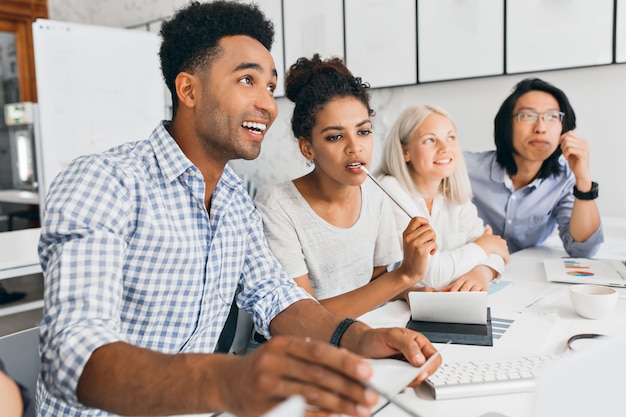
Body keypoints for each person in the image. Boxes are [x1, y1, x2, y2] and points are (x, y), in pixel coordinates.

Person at [36, 2, 440, 417]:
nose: (267, 104)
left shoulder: (233, 198)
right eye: (247, 79)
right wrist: (228, 379)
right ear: (188, 90)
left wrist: (357, 338)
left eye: (269, 87)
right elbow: (71, 355)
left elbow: (276, 298)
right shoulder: (104, 181)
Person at [251, 54, 437, 326]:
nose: (355, 147)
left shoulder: (376, 195)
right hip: (306, 348)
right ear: (307, 147)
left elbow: (377, 282)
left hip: (365, 333)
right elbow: (303, 317)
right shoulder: (277, 204)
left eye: (363, 131)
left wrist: (420, 294)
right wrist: (405, 276)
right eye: (335, 137)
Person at [375, 105, 509, 292]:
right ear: (405, 151)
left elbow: (498, 253)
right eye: (430, 140)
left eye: (451, 137)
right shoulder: (390, 190)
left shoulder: (451, 192)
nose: (445, 148)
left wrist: (482, 273)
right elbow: (432, 275)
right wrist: (485, 245)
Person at [464, 78, 603, 256]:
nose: (541, 128)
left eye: (552, 116)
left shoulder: (565, 180)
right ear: (507, 126)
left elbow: (584, 250)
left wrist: (583, 179)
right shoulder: (465, 169)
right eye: (528, 116)